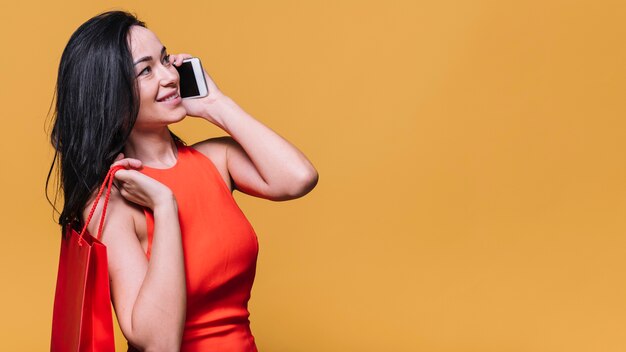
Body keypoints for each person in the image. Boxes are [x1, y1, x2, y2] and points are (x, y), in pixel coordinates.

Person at [47, 10, 318, 351]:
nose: (169, 76)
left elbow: (298, 178)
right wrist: (163, 205)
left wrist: (215, 104)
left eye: (165, 60)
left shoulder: (215, 160)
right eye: (146, 70)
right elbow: (159, 344)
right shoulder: (111, 200)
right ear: (110, 97)